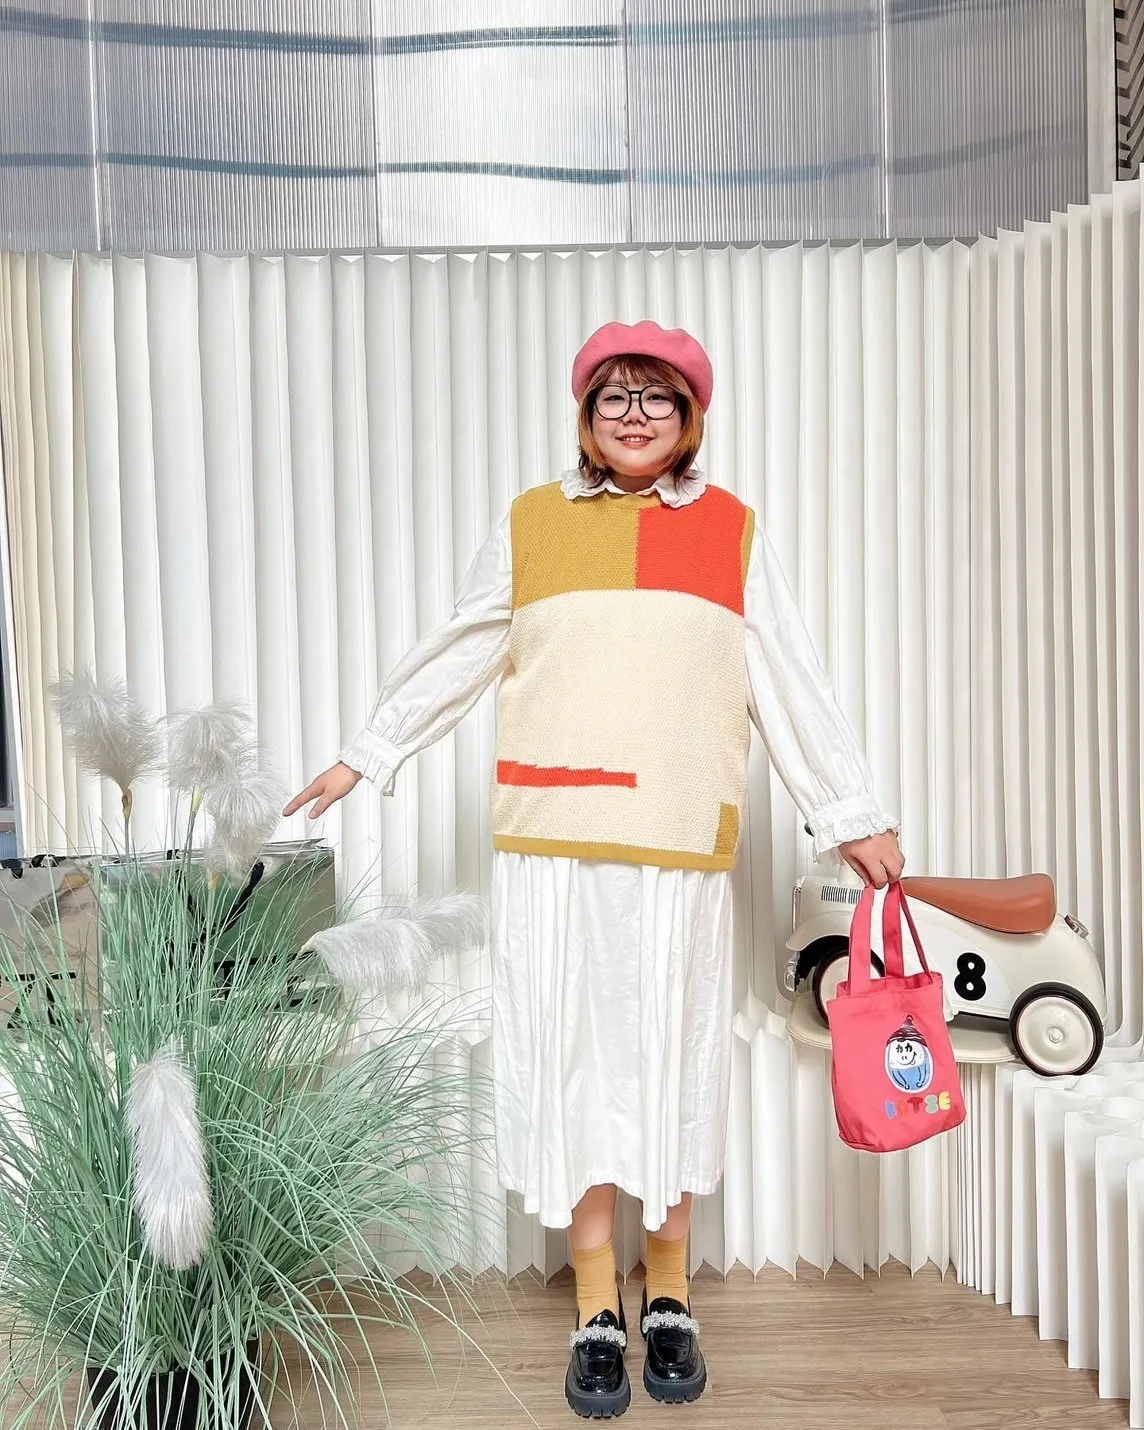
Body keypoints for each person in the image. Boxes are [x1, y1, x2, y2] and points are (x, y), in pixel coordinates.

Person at [284, 320, 903, 1417]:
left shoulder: (731, 530)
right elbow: (463, 645)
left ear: (689, 417)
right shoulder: (532, 522)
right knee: (572, 1069)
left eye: (657, 397)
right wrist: (367, 751)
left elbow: (789, 677)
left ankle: (669, 1295)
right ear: (584, 415)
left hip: (675, 844)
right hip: (556, 845)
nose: (634, 415)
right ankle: (593, 1307)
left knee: (672, 1065)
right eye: (613, 395)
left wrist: (849, 811)